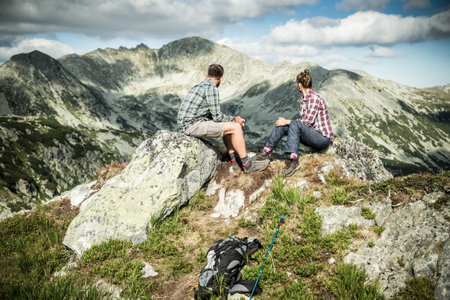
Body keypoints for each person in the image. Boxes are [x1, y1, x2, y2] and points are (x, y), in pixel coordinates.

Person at [177, 64, 269, 174]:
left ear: (206, 75)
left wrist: (231, 120)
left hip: (186, 124)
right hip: (192, 126)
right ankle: (247, 165)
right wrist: (235, 120)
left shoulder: (198, 86)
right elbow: (218, 117)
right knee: (235, 127)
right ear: (221, 78)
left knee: (228, 126)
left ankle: (235, 162)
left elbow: (209, 114)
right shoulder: (211, 88)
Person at [253, 69, 334, 177]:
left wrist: (287, 121)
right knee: (282, 126)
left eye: (297, 84)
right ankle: (265, 151)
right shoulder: (304, 99)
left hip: (322, 139)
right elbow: (303, 124)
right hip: (312, 134)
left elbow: (308, 122)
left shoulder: (314, 98)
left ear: (299, 85)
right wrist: (285, 123)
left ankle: (293, 160)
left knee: (292, 123)